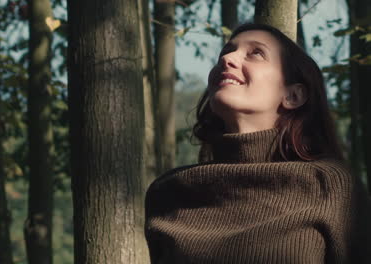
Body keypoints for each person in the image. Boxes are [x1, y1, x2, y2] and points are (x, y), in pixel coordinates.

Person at [144, 23, 371, 263]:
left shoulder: (329, 184)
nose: (227, 58)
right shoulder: (168, 192)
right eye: (225, 52)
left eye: (256, 53)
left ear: (293, 96)